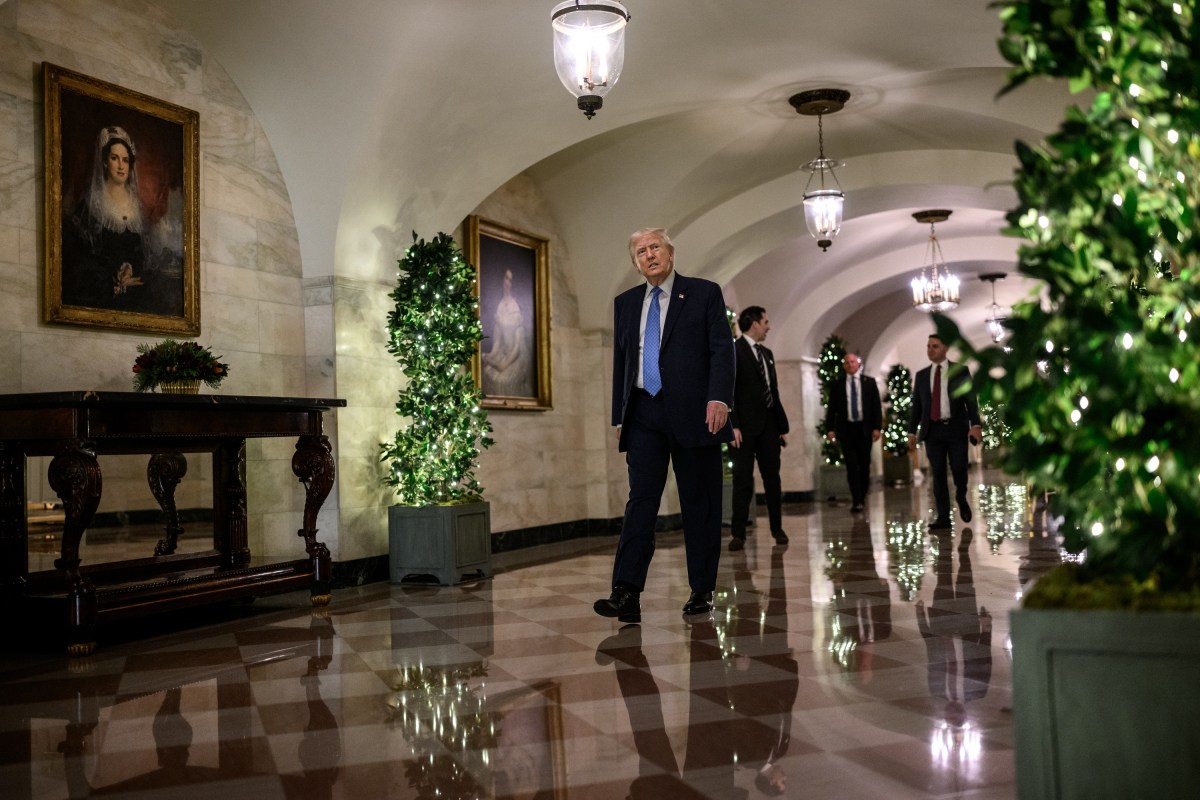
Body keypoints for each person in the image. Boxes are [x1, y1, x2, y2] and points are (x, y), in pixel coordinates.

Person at [595, 227, 735, 622]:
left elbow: (721, 350)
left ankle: (702, 589)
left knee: (699, 503)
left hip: (696, 413)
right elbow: (623, 362)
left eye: (655, 246)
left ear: (671, 253)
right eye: (641, 250)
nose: (649, 254)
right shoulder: (625, 303)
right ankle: (626, 591)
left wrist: (719, 398)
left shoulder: (704, 293)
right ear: (635, 262)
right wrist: (620, 416)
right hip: (643, 413)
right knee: (641, 502)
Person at [62, 125, 148, 307]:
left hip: (133, 294)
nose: (121, 166)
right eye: (114, 158)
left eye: (125, 160)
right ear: (104, 162)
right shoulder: (92, 205)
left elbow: (141, 253)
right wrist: (113, 279)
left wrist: (129, 269)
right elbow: (79, 258)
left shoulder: (137, 207)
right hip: (100, 292)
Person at [727, 306, 790, 551]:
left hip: (769, 428)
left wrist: (781, 426)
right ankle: (738, 534)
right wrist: (733, 425)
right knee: (743, 481)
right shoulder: (733, 351)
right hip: (743, 429)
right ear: (754, 323)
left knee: (772, 480)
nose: (768, 326)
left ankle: (777, 528)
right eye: (765, 321)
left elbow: (773, 391)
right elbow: (729, 391)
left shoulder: (767, 353)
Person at [908, 333, 982, 529]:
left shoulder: (960, 371)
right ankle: (943, 516)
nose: (930, 350)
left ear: (945, 348)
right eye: (928, 346)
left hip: (956, 428)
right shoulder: (922, 375)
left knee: (959, 467)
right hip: (932, 431)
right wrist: (911, 432)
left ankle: (960, 494)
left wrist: (975, 426)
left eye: (935, 346)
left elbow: (970, 402)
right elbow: (917, 406)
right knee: (938, 473)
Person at [824, 352, 883, 513]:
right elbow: (832, 410)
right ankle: (856, 500)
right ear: (844, 366)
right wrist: (830, 429)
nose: (850, 365)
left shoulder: (869, 383)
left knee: (864, 466)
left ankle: (862, 497)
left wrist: (877, 427)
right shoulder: (837, 385)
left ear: (858, 364)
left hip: (864, 430)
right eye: (847, 362)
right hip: (846, 430)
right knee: (851, 466)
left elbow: (876, 407)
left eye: (852, 362)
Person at [481, 268, 533, 397]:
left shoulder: (516, 310)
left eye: (510, 280)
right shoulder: (499, 307)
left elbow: (517, 347)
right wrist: (490, 356)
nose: (507, 283)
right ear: (501, 279)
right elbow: (497, 342)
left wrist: (504, 364)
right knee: (487, 371)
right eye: (506, 278)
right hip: (502, 353)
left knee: (503, 381)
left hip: (515, 357)